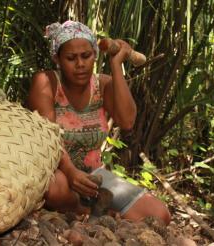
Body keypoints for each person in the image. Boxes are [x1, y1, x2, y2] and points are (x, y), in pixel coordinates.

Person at [27, 20, 171, 225]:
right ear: (57, 59)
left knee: (159, 214)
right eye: (71, 58)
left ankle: (96, 210)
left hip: (93, 176)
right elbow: (46, 136)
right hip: (57, 172)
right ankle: (87, 210)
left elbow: (127, 121)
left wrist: (116, 64)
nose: (80, 64)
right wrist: (69, 171)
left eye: (86, 56)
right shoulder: (46, 82)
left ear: (95, 55)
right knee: (54, 186)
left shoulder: (102, 85)